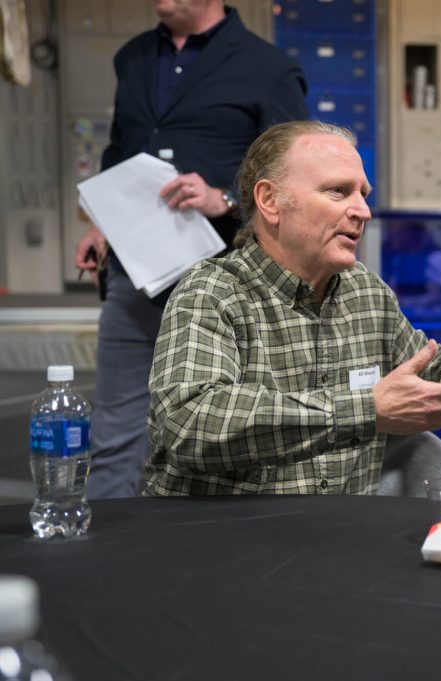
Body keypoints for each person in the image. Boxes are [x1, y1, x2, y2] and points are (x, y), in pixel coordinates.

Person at [141, 120, 441, 496]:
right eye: (339, 192)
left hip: (342, 530)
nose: (363, 211)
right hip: (230, 534)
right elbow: (189, 423)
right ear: (270, 201)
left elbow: (419, 370)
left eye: (364, 194)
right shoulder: (212, 292)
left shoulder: (366, 292)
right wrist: (364, 409)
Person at [73, 0, 308, 498]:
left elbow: (298, 176)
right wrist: (100, 224)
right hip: (135, 277)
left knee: (230, 438)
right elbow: (121, 150)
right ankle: (108, 546)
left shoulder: (269, 67)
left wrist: (225, 197)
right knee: (114, 438)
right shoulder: (133, 57)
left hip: (228, 284)